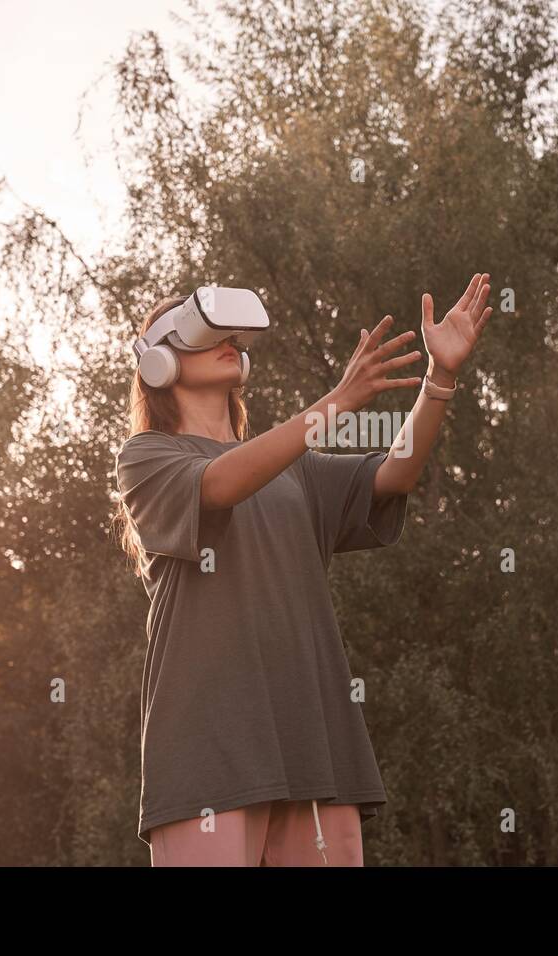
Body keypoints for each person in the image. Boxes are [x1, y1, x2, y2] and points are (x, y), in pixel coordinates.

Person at [113, 274, 493, 866]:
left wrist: (438, 378)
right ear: (158, 362)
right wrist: (337, 402)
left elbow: (393, 475)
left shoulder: (297, 471)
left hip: (316, 747)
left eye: (236, 337)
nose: (230, 342)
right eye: (205, 334)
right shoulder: (147, 458)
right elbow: (221, 483)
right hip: (208, 756)